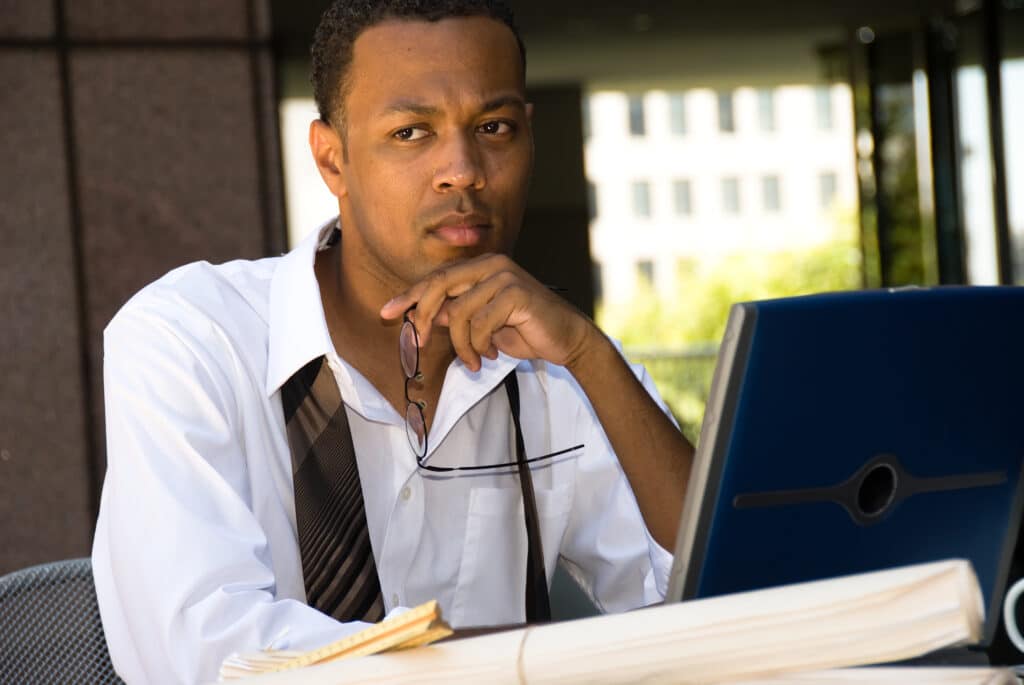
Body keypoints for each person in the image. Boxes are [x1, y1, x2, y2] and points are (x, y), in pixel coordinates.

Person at [91, 0, 694, 682]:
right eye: (412, 133)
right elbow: (206, 654)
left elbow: (725, 602)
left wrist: (591, 355)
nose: (463, 169)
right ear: (332, 161)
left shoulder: (556, 365)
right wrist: (507, 666)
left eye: (493, 127)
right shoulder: (193, 339)